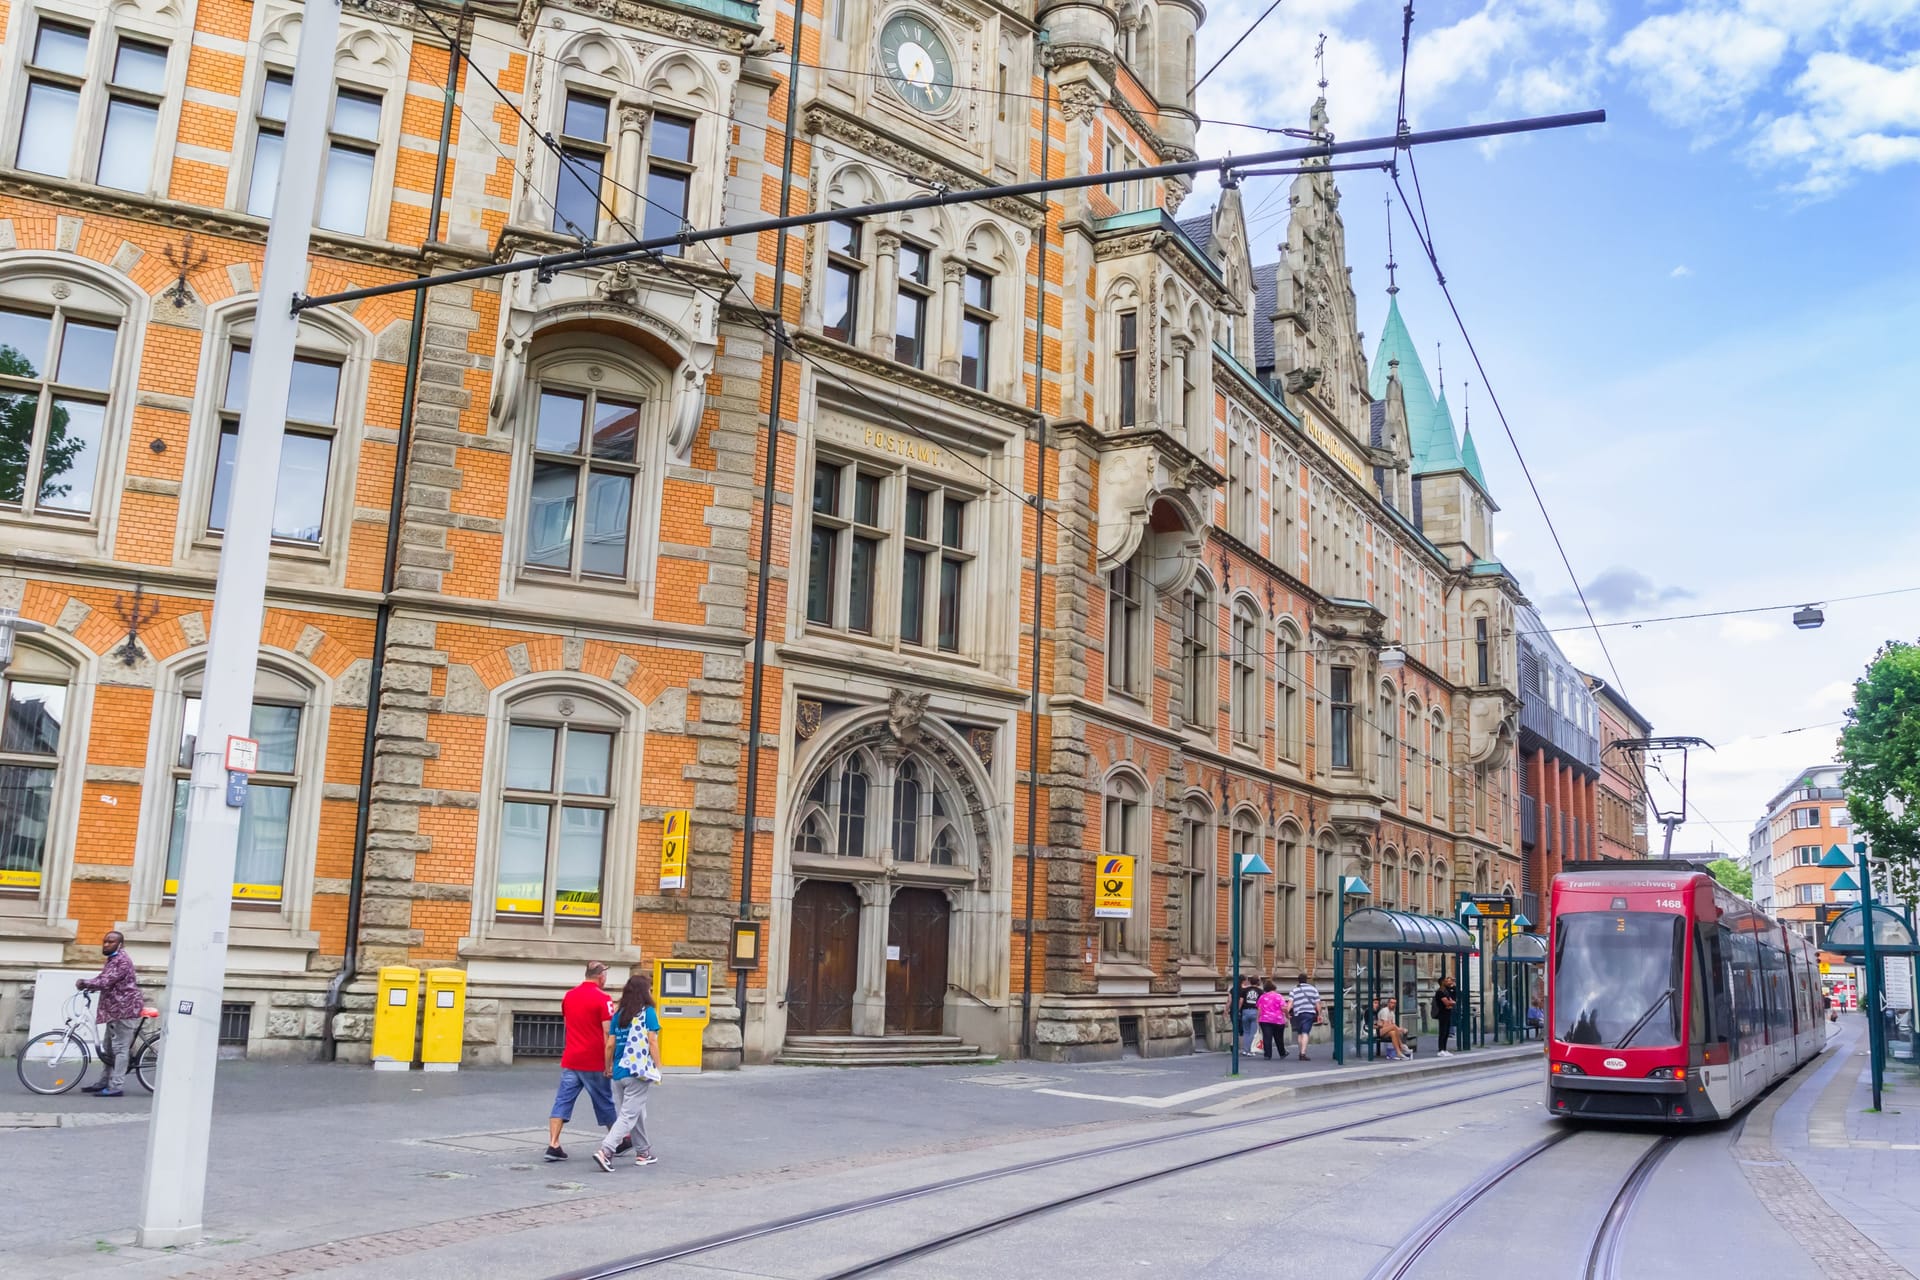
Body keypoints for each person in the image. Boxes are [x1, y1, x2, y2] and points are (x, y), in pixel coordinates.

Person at [546, 961, 622, 1162]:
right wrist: (609, 1063)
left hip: (572, 1057)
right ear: (601, 976)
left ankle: (553, 1143)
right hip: (594, 1059)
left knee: (563, 1100)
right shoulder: (604, 999)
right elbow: (608, 1031)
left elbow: (567, 1024)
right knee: (604, 1100)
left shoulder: (569, 996)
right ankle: (618, 1140)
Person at [594, 973, 663, 1172]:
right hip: (637, 1072)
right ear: (645, 992)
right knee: (628, 1115)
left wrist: (607, 1066)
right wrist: (658, 1066)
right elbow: (652, 1041)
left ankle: (643, 1152)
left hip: (618, 1072)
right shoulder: (648, 1012)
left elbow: (610, 1044)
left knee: (636, 1112)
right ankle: (606, 1151)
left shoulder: (618, 1014)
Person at [76, 930, 144, 1097]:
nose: (106, 944)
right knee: (108, 1048)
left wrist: (85, 983)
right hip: (114, 1010)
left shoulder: (121, 960)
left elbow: (106, 981)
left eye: (111, 942)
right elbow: (104, 978)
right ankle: (103, 1081)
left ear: (120, 944)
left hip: (124, 1009)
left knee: (120, 1048)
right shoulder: (112, 959)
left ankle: (116, 1086)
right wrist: (91, 985)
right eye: (105, 941)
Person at [1287, 972, 1322, 1061]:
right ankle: (1303, 1053)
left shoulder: (1294, 990)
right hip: (1309, 1013)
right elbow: (1318, 1003)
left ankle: (1301, 1051)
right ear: (1306, 980)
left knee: (1299, 1033)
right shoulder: (1313, 989)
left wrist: (1286, 1013)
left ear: (1298, 981)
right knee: (1305, 1032)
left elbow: (1290, 1003)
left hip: (1298, 1014)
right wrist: (1320, 1014)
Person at [1256, 979, 1290, 1061]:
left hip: (1265, 1020)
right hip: (1277, 1019)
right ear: (1274, 987)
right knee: (1279, 1038)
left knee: (1267, 1037)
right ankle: (1282, 1053)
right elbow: (1284, 1008)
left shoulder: (1262, 997)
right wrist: (1287, 1016)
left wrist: (1258, 1019)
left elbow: (1259, 1009)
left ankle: (1267, 1055)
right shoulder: (1279, 996)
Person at [1432, 975, 1458, 1057]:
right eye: (1446, 980)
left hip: (1447, 1013)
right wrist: (1451, 1003)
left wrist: (1453, 985)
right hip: (1442, 1014)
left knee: (1446, 1032)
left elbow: (1453, 998)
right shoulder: (1440, 992)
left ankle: (1444, 1049)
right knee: (1442, 1032)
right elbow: (1447, 1003)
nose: (1448, 982)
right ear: (1442, 982)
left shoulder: (1446, 991)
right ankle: (1441, 1049)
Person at [1233, 975, 1259, 1055]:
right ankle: (1250, 1050)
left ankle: (1245, 1050)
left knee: (1246, 1032)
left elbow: (1241, 1001)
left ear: (1250, 981)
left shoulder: (1244, 990)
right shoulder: (1260, 991)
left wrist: (1237, 1010)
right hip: (1255, 1011)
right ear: (1258, 982)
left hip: (1245, 1011)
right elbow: (1261, 1004)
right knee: (1253, 1032)